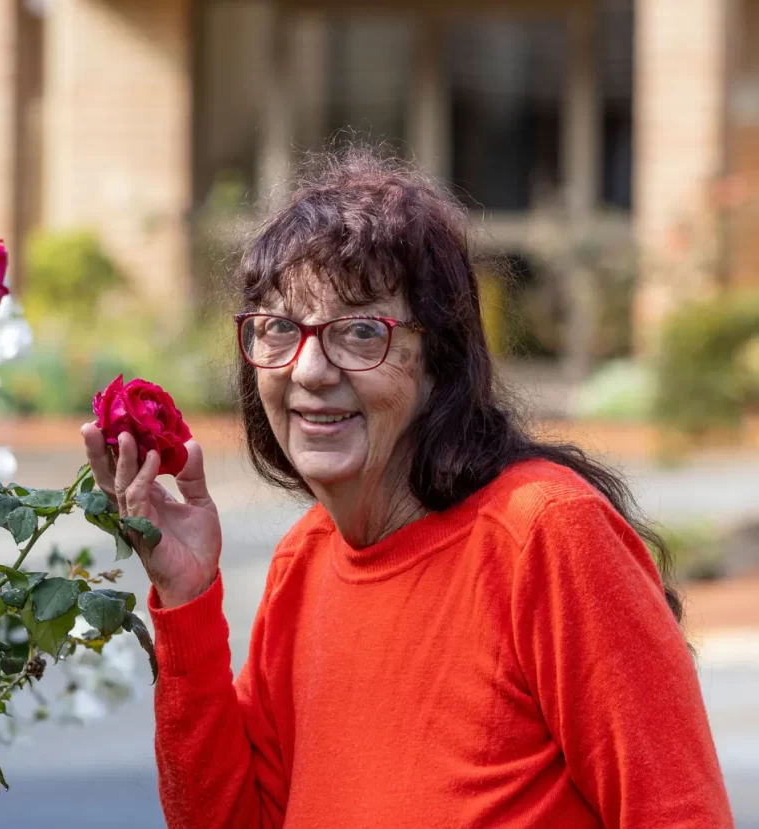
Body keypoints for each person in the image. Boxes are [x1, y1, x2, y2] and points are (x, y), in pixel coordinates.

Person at [82, 151, 733, 828]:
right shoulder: (303, 563)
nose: (308, 368)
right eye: (279, 327)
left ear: (439, 361)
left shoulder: (546, 534)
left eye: (361, 330)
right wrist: (186, 599)